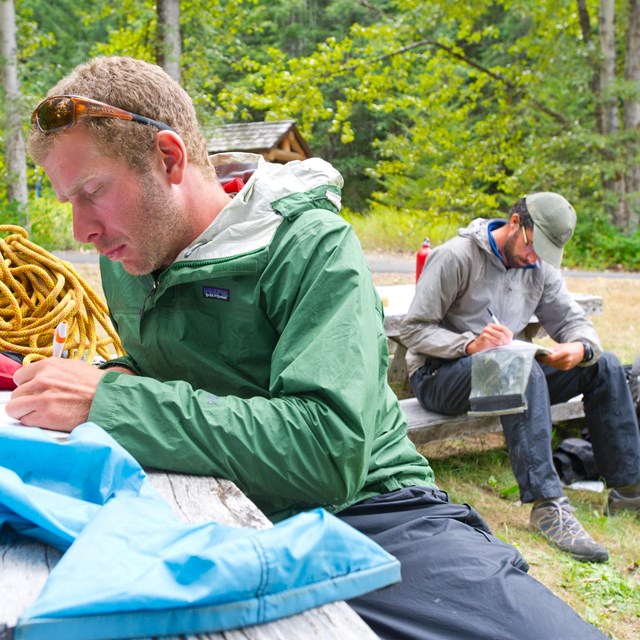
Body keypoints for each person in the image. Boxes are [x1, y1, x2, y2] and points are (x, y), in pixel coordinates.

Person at [8, 56, 608, 640]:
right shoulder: (130, 255)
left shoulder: (311, 246)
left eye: (93, 191)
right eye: (69, 203)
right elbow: (173, 368)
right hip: (207, 511)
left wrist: (111, 400)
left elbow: (326, 450)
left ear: (168, 158)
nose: (81, 230)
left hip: (372, 513)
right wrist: (100, 381)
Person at [400, 193, 640, 563]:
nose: (535, 257)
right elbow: (414, 330)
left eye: (544, 252)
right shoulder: (456, 256)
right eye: (533, 246)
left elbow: (574, 321)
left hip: (504, 370)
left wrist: (580, 348)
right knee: (521, 371)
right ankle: (548, 505)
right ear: (515, 223)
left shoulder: (539, 267)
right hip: (439, 375)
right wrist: (469, 345)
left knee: (602, 364)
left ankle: (629, 490)